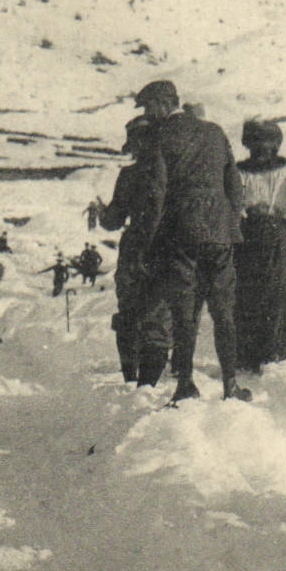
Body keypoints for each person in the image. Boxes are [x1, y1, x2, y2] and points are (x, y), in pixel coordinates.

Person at [137, 79, 251, 402]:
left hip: (181, 234)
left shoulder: (159, 136)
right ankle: (231, 384)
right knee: (223, 310)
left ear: (162, 104)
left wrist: (148, 241)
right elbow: (234, 184)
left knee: (185, 311)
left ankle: (185, 383)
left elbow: (156, 194)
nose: (148, 114)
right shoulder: (214, 131)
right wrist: (229, 225)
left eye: (149, 108)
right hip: (219, 235)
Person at [98, 116, 173, 384]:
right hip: (166, 248)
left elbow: (111, 221)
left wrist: (101, 212)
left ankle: (132, 381)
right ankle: (147, 384)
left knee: (129, 312)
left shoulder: (129, 175)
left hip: (135, 249)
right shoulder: (177, 173)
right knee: (158, 315)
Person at [235, 118, 286, 371]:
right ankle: (275, 348)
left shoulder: (239, 170)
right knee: (278, 290)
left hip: (249, 230)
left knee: (248, 291)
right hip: (278, 230)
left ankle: (249, 352)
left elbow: (234, 204)